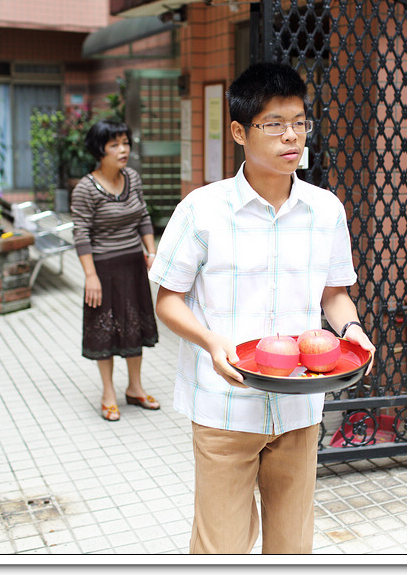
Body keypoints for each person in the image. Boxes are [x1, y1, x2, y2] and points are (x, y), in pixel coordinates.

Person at [148, 62, 375, 554]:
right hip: (224, 405)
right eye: (273, 124)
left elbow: (333, 294)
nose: (291, 136)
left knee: (293, 546)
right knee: (221, 548)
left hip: (298, 405)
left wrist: (352, 328)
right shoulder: (201, 210)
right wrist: (211, 342)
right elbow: (167, 300)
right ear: (239, 132)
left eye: (299, 122)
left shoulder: (326, 210)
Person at [71, 118, 160, 422]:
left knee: (134, 324)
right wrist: (90, 276)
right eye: (115, 145)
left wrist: (151, 252)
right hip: (103, 268)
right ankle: (108, 392)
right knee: (105, 330)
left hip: (133, 264)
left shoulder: (132, 178)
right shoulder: (85, 188)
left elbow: (143, 216)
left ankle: (135, 388)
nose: (123, 150)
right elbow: (81, 234)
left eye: (125, 143)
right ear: (100, 149)